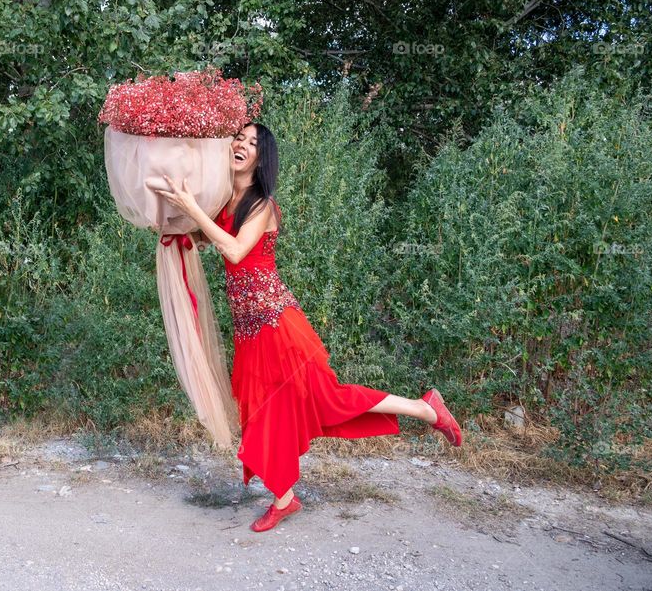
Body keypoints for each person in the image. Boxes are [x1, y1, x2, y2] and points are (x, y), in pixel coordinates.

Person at [152, 122, 463, 532]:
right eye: (238, 138)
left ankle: (425, 408)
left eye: (252, 143)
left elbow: (234, 249)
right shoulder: (227, 200)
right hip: (249, 329)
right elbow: (210, 239)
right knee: (259, 411)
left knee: (327, 400)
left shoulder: (262, 206)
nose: (241, 145)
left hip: (278, 324)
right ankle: (284, 498)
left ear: (263, 158)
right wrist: (175, 218)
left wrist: (192, 210)